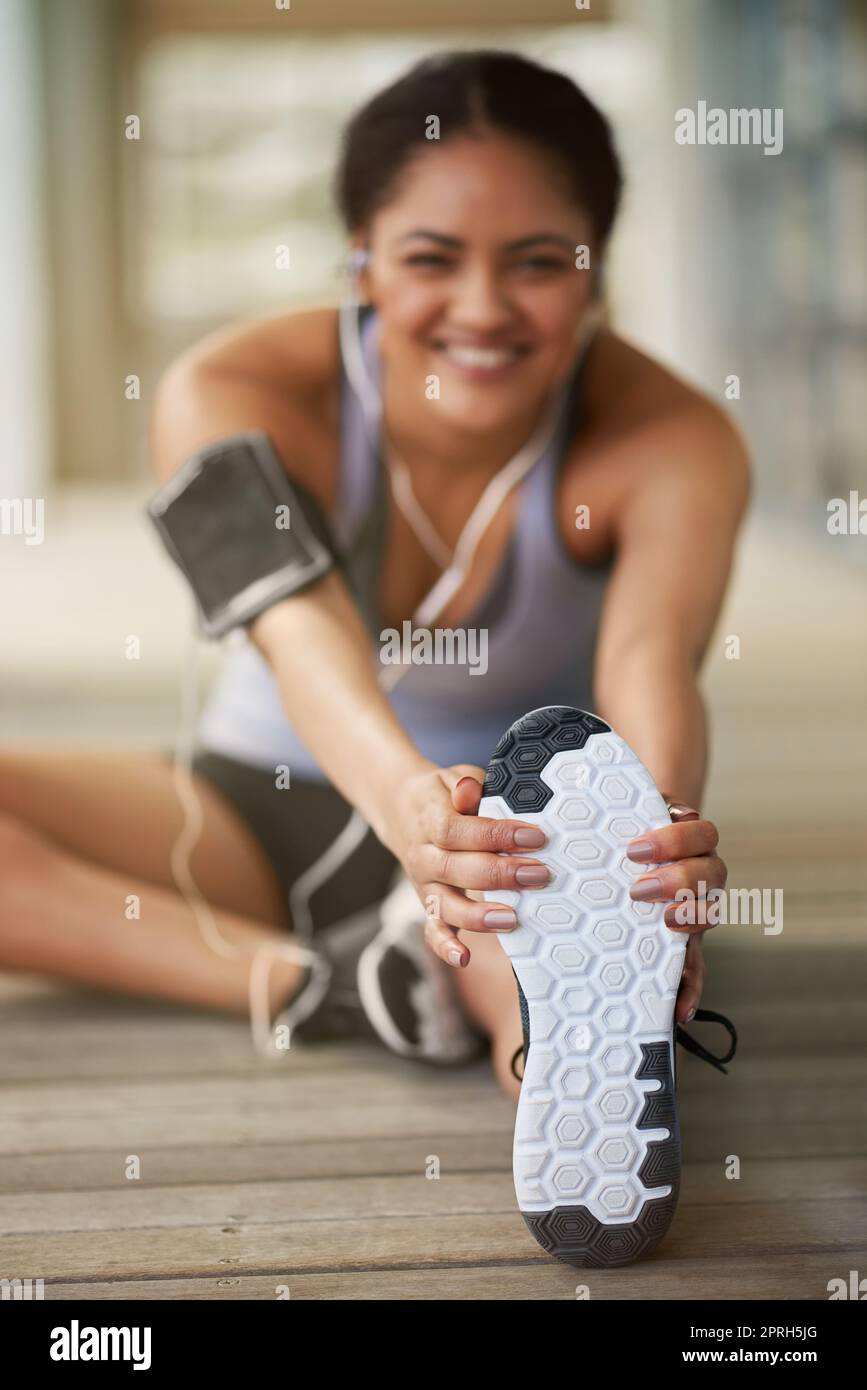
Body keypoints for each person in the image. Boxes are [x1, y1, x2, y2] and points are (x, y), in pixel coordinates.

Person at [0, 50, 748, 1104]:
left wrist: (649, 848)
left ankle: (550, 1050)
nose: (482, 308)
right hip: (246, 812)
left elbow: (649, 659)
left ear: (596, 265)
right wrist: (411, 814)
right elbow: (299, 631)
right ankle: (334, 981)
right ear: (362, 259)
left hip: (511, 847)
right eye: (431, 259)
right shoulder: (225, 389)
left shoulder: (676, 439)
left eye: (538, 262)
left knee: (530, 983)